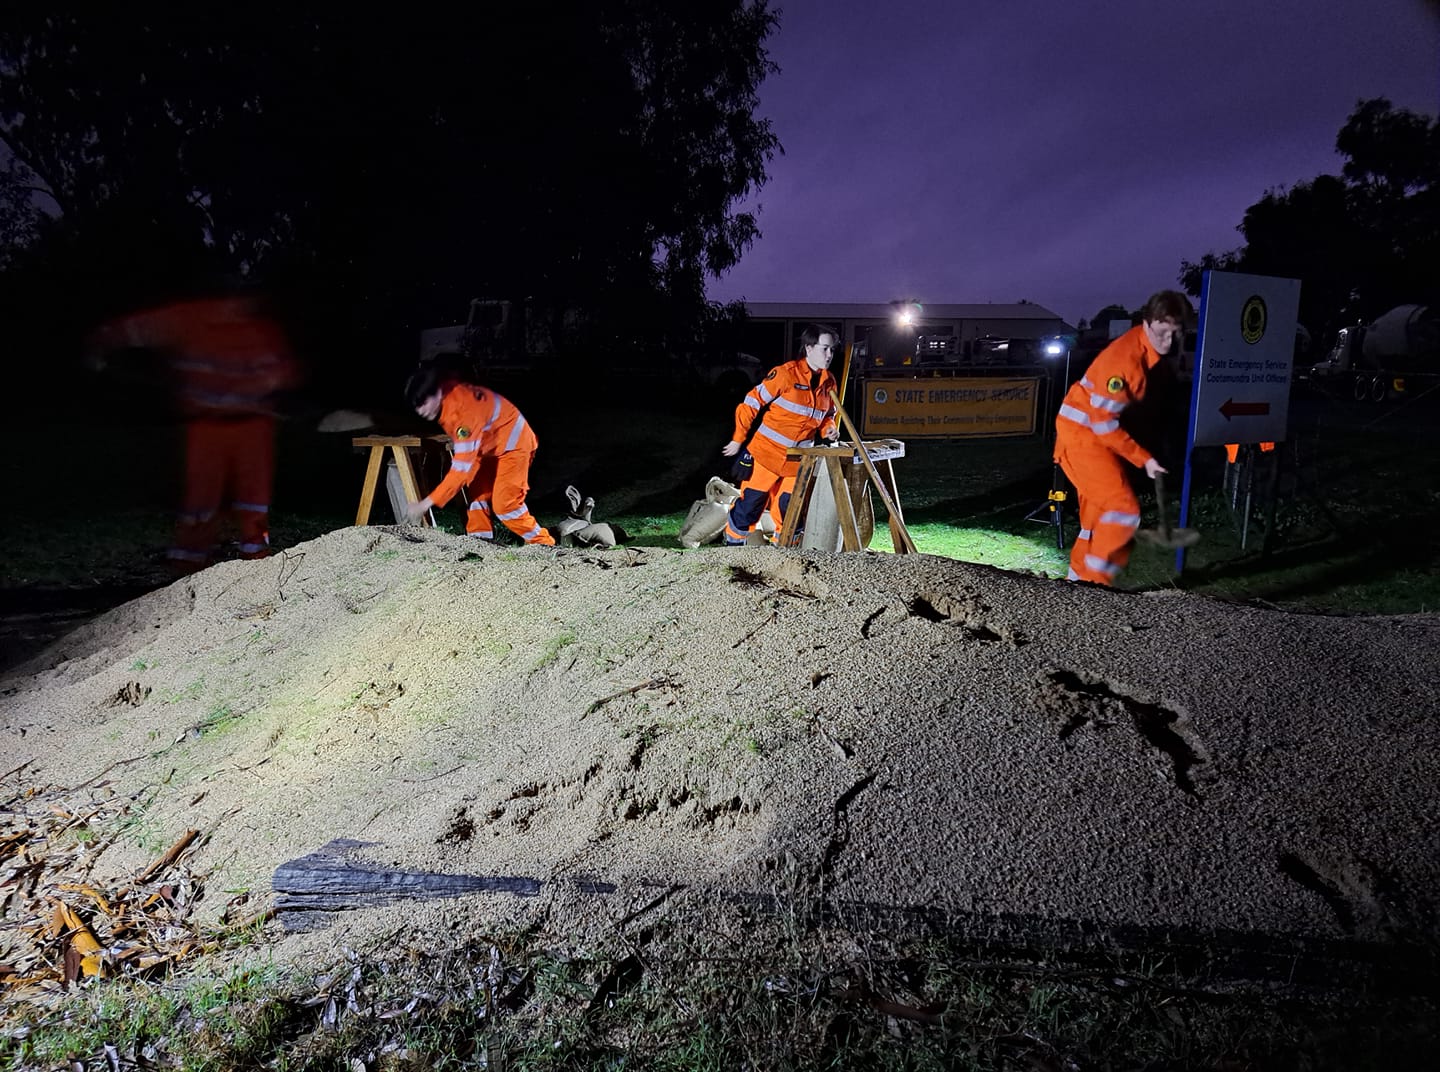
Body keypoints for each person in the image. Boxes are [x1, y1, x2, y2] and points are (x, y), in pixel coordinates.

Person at [89, 290, 299, 573]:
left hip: (253, 425)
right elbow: (139, 328)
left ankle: (256, 559)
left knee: (253, 497)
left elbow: (283, 372)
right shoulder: (190, 317)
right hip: (207, 425)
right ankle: (187, 561)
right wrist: (103, 343)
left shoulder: (260, 329)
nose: (240, 305)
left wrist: (270, 382)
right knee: (202, 497)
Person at [1054, 290, 1191, 585]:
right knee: (1122, 510)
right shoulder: (1126, 362)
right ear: (1146, 323)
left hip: (1088, 434)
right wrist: (1144, 459)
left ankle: (1075, 585)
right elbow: (1104, 424)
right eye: (1162, 333)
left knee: (1097, 517)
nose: (1167, 341)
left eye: (1175, 334)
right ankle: (1096, 586)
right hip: (1084, 437)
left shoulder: (1151, 356)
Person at [402, 365, 555, 545]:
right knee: (476, 494)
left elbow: (460, 470)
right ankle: (480, 543)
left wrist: (425, 504)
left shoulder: (463, 413)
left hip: (514, 446)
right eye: (416, 406)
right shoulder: (451, 395)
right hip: (491, 447)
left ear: (437, 393)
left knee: (505, 505)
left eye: (423, 403)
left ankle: (543, 544)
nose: (420, 411)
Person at [721, 324, 840, 545]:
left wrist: (828, 428)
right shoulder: (785, 374)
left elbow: (827, 415)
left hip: (797, 462)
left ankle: (784, 559)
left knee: (790, 512)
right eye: (825, 348)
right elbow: (750, 403)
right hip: (765, 456)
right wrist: (738, 439)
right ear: (808, 348)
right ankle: (733, 551)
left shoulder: (829, 382)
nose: (829, 355)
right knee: (750, 506)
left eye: (832, 350)